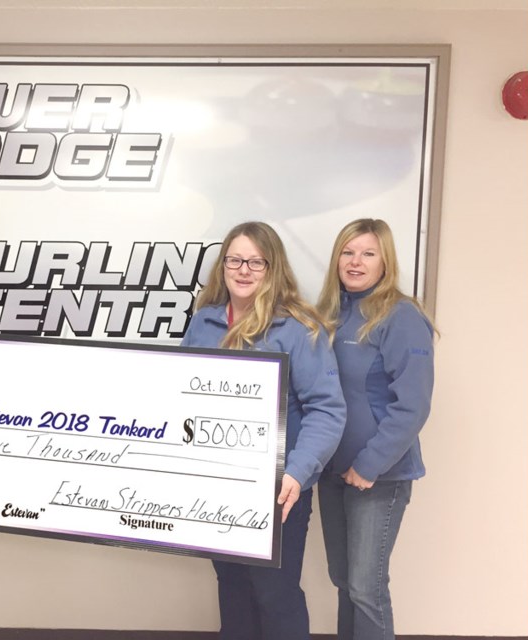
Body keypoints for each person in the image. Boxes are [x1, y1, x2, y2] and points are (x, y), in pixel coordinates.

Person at [180, 221, 345, 640]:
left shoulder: (298, 329)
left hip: (278, 488)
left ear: (274, 269)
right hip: (216, 485)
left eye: (256, 261)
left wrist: (297, 473)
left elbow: (327, 410)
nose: (244, 269)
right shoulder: (203, 323)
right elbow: (179, 392)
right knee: (232, 586)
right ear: (223, 266)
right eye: (235, 259)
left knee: (274, 594)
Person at [315, 218, 436, 640]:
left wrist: (368, 466)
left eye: (368, 253)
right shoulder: (330, 313)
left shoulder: (401, 315)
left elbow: (413, 406)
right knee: (344, 581)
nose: (355, 261)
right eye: (348, 252)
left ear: (385, 261)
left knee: (367, 588)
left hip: (378, 477)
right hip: (332, 472)